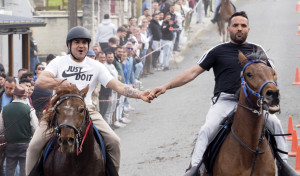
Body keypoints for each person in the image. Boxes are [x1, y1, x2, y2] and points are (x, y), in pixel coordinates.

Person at [148, 11, 288, 174]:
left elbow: (272, 73)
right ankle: (195, 169)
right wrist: (166, 86)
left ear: (248, 29)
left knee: (276, 124)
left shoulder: (258, 50)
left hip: (253, 104)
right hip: (225, 101)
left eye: (243, 26)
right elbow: (192, 72)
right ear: (229, 29)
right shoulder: (218, 50)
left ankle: (283, 166)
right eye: (235, 25)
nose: (239, 29)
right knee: (206, 129)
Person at [26, 26, 151, 175]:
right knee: (34, 145)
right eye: (77, 42)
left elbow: (117, 85)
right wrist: (61, 82)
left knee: (114, 141)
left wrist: (139, 94)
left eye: (84, 42)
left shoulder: (96, 66)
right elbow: (41, 81)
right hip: (59, 110)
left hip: (86, 109)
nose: (81, 45)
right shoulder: (59, 62)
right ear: (69, 45)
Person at [0, 85, 38, 176]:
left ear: (14, 95)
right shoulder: (30, 110)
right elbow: (35, 128)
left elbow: (1, 128)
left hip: (10, 144)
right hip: (25, 144)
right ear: (24, 96)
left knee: (9, 169)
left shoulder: (4, 109)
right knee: (24, 170)